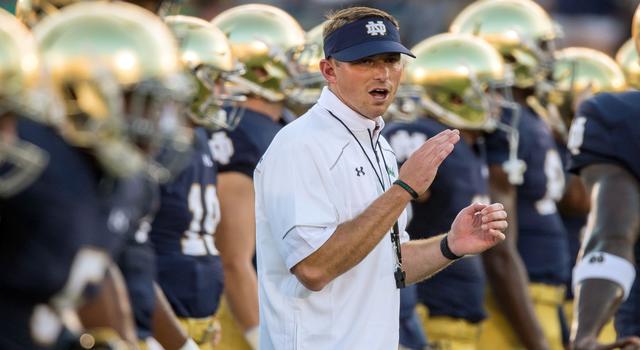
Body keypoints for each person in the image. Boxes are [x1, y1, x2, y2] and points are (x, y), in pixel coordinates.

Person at [254, 7, 508, 349]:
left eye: (391, 60)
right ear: (329, 70)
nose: (383, 74)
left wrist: (451, 244)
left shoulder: (379, 146)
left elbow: (392, 264)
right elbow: (313, 269)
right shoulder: (300, 145)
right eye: (365, 61)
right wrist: (403, 189)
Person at [452, 1, 570, 349]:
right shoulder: (500, 123)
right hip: (516, 301)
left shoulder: (529, 114)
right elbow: (497, 244)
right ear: (512, 54)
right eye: (542, 45)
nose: (551, 55)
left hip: (544, 293)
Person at [385, 32, 508, 350]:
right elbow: (389, 208)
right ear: (454, 96)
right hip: (430, 309)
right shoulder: (419, 136)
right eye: (486, 91)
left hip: (459, 313)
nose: (497, 102)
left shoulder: (469, 144)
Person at [210, 5, 306, 349]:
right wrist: (259, 336)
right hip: (247, 310)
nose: (302, 69)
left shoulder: (276, 125)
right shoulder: (243, 130)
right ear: (260, 70)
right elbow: (233, 258)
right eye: (291, 59)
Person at [566, 8, 640, 348]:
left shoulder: (617, 116)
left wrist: (586, 335)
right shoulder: (624, 118)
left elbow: (611, 235)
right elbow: (610, 236)